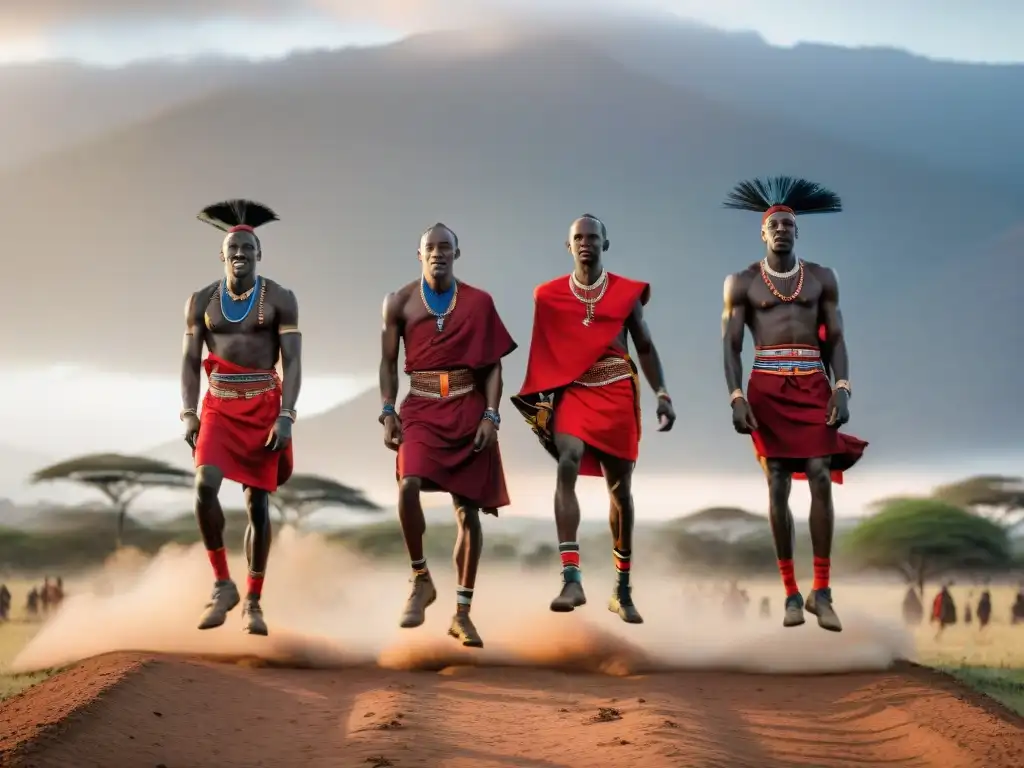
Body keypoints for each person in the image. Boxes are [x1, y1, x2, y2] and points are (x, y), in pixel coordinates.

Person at [511, 215, 676, 624]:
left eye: (593, 237)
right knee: (567, 458)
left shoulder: (625, 294)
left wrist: (662, 393)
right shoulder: (548, 296)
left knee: (620, 492)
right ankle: (571, 578)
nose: (586, 243)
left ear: (606, 243)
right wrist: (543, 401)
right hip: (575, 393)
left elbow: (647, 346)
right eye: (578, 238)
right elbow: (543, 351)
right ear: (568, 246)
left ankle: (622, 588)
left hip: (618, 388)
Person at [721, 177, 868, 633]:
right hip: (765, 390)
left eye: (789, 224)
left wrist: (842, 387)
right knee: (778, 484)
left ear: (797, 232)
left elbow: (838, 338)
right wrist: (737, 398)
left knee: (821, 475)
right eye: (775, 225)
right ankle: (790, 592)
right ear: (763, 233)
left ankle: (821, 591)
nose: (782, 230)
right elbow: (729, 347)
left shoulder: (823, 278)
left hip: (812, 385)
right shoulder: (741, 282)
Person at [380, 223, 517, 648]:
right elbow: (387, 362)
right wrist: (387, 410)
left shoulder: (479, 302)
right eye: (430, 248)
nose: (438, 253)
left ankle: (462, 613)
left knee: (468, 513)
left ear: (458, 253)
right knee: (408, 484)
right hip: (420, 407)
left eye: (445, 247)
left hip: (467, 408)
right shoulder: (399, 301)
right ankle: (421, 578)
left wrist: (491, 416)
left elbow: (493, 365)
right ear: (418, 254)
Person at [181, 199, 301, 636]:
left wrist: (286, 415)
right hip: (218, 406)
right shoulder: (201, 301)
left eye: (248, 249)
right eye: (234, 248)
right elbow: (189, 361)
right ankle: (222, 584)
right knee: (203, 486)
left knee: (258, 504)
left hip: (264, 406)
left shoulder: (281, 299)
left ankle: (253, 600)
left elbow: (294, 362)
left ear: (259, 254)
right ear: (222, 254)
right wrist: (189, 413)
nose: (240, 255)